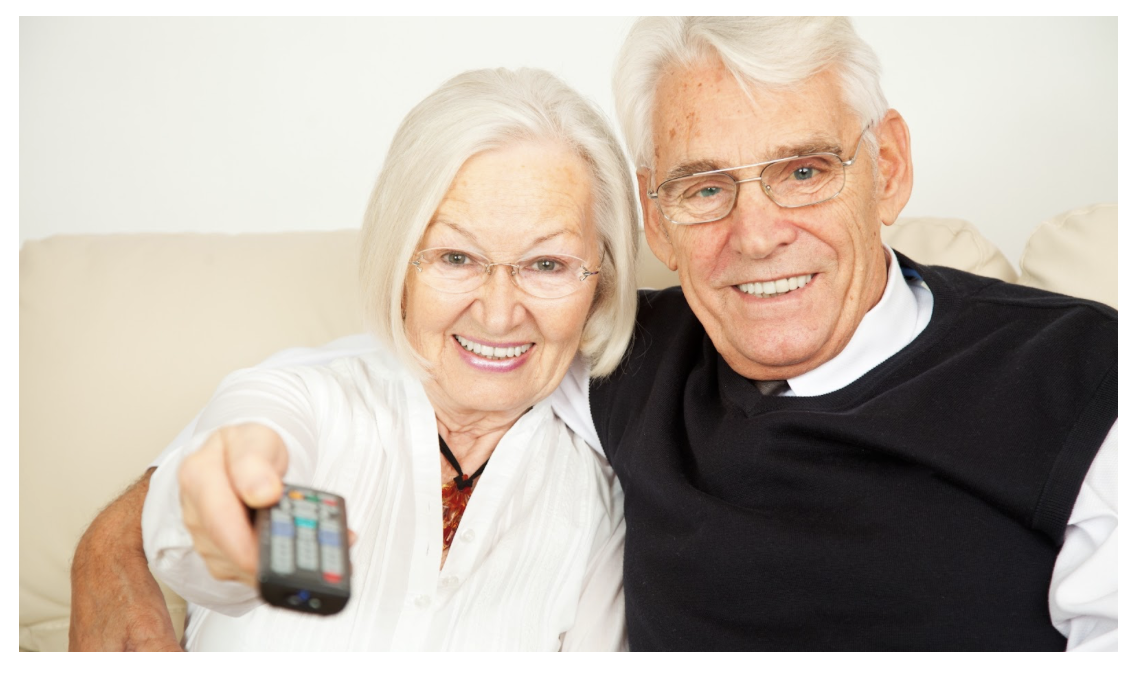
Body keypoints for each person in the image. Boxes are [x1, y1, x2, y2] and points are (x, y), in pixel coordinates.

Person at [70, 17, 1116, 652]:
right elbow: (286, 428)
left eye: (803, 170)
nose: (756, 234)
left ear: (886, 167)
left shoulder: (1085, 376)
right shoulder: (618, 364)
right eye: (704, 187)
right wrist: (134, 531)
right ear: (654, 218)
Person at [127, 66, 639, 650]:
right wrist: (216, 502)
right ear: (399, 265)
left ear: (602, 282)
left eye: (547, 264)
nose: (498, 315)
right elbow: (210, 517)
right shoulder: (299, 399)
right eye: (456, 257)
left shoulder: (605, 503)